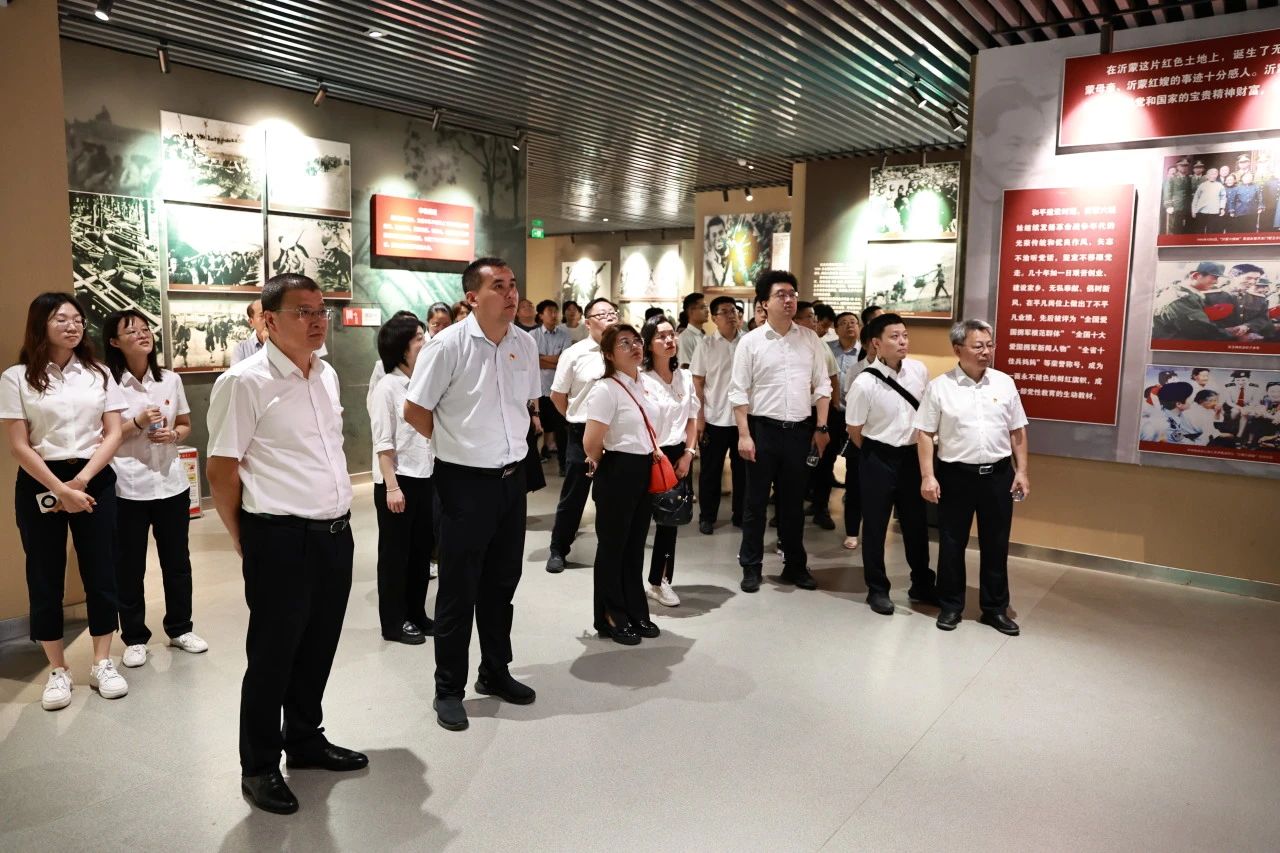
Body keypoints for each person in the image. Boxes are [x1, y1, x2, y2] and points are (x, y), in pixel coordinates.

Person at [206, 274, 366, 815]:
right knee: (273, 656)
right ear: (270, 321)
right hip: (278, 537)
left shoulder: (326, 374)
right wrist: (244, 538)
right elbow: (222, 470)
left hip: (334, 532)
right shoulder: (244, 382)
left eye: (322, 311)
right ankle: (258, 766)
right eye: (304, 311)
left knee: (319, 646)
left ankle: (304, 738)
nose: (318, 320)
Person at [404, 257, 539, 733]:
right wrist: (453, 445)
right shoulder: (447, 346)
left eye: (513, 284)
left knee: (502, 584)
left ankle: (495, 671)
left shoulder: (524, 343)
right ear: (472, 297)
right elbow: (415, 410)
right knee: (458, 591)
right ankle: (448, 689)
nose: (510, 293)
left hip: (511, 480)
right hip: (462, 483)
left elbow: (522, 405)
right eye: (498, 285)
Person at [1, 293, 128, 710]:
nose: (73, 326)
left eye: (77, 319)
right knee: (44, 573)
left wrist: (82, 481)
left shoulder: (99, 372)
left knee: (102, 569)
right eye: (61, 319)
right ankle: (58, 669)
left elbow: (113, 432)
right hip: (42, 481)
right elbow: (19, 445)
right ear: (41, 324)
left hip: (94, 477)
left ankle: (102, 662)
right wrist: (61, 489)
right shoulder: (16, 377)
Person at [103, 309, 207, 669]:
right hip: (127, 486)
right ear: (114, 342)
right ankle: (134, 637)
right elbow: (103, 436)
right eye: (132, 331)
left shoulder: (170, 379)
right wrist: (137, 422)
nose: (143, 335)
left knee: (177, 563)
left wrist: (174, 434)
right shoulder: (108, 383)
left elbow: (185, 424)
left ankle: (180, 628)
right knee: (129, 567)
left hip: (171, 483)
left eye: (146, 329)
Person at [915, 319, 1029, 636]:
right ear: (957, 349)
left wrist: (1022, 471)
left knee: (996, 543)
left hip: (998, 474)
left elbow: (1017, 429)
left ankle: (995, 608)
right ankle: (951, 605)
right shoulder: (940, 387)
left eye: (990, 345)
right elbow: (924, 433)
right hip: (956, 475)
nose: (986, 352)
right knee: (952, 542)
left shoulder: (1004, 383)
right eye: (978, 346)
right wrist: (928, 476)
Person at [729, 271, 832, 593]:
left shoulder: (810, 339)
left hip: (800, 431)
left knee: (792, 504)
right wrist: (744, 435)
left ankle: (794, 565)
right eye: (781, 295)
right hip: (763, 430)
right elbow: (738, 392)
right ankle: (751, 566)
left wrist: (822, 426)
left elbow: (823, 385)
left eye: (792, 294)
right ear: (764, 303)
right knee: (755, 503)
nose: (789, 300)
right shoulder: (750, 342)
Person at [845, 313, 936, 615]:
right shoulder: (864, 383)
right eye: (894, 337)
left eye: (905, 335)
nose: (902, 342)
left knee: (915, 524)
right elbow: (855, 430)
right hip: (877, 456)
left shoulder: (918, 370)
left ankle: (922, 583)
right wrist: (876, 453)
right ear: (876, 343)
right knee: (875, 525)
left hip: (911, 457)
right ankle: (877, 588)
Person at [582, 324, 663, 644]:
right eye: (624, 343)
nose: (634, 347)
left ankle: (635, 609)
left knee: (634, 546)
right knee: (613, 547)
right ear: (609, 354)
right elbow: (591, 443)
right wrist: (611, 466)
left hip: (644, 467)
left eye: (637, 341)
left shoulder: (645, 383)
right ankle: (611, 614)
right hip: (617, 469)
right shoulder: (606, 389)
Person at [369, 314, 435, 646]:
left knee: (421, 553)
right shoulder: (387, 387)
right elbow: (383, 442)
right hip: (397, 482)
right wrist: (392, 487)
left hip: (424, 477)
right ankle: (394, 623)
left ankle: (417, 613)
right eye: (419, 338)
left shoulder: (421, 383)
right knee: (396, 557)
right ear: (401, 348)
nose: (426, 342)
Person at [544, 297, 618, 573]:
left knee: (612, 497)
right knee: (574, 496)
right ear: (588, 323)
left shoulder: (624, 350)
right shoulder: (574, 354)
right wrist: (573, 417)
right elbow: (557, 395)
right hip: (582, 433)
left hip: (616, 434)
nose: (609, 317)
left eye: (612, 313)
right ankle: (558, 549)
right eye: (602, 314)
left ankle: (612, 552)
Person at [640, 315, 698, 607]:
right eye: (661, 336)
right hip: (646, 454)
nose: (669, 340)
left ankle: (659, 581)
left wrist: (688, 454)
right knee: (638, 522)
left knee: (669, 521)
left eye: (671, 334)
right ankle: (628, 580)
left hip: (677, 455)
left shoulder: (685, 377)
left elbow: (692, 419)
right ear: (648, 343)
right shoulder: (640, 378)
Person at [691, 295, 745, 534]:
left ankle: (740, 515)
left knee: (743, 471)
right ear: (714, 318)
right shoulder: (706, 345)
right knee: (710, 471)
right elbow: (698, 383)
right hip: (715, 418)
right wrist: (700, 417)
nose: (731, 315)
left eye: (734, 310)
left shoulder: (747, 342)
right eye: (725, 311)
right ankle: (707, 516)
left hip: (743, 419)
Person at [795, 301, 841, 530]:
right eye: (809, 317)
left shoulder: (821, 345)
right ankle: (789, 510)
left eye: (814, 317)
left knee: (823, 461)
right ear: (795, 320)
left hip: (820, 411)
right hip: (796, 413)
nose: (814, 321)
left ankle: (821, 507)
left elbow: (833, 378)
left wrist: (834, 407)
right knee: (796, 464)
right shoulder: (787, 344)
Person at [531, 298, 572, 471]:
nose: (554, 315)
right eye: (550, 311)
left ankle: (563, 465)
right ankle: (533, 466)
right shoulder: (532, 335)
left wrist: (541, 358)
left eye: (556, 311)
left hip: (558, 390)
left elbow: (565, 361)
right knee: (535, 429)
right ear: (541, 315)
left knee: (561, 430)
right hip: (538, 390)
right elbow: (531, 361)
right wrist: (554, 361)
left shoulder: (565, 335)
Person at [1152, 262, 1228, 341]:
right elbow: (1202, 331)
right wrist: (1229, 333)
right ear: (1195, 276)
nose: (1216, 282)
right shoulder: (1179, 299)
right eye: (1214, 277)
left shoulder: (1187, 293)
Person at [366, 310, 421, 412]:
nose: (425, 343)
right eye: (419, 338)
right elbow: (374, 405)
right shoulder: (385, 386)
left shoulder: (421, 370)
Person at [230, 299, 267, 364]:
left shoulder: (285, 345)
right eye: (262, 316)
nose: (268, 319)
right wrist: (267, 347)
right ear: (251, 322)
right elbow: (237, 370)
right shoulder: (241, 349)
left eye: (271, 315)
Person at [677, 291, 708, 368]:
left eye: (706, 307)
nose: (707, 311)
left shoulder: (702, 335)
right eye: (703, 307)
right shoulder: (685, 337)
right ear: (691, 311)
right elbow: (685, 368)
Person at [1191, 167, 1225, 234]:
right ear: (1207, 175)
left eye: (1215, 174)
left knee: (1211, 230)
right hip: (1201, 211)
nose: (1213, 176)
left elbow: (1223, 198)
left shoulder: (1220, 185)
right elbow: (1196, 198)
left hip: (1214, 212)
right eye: (1211, 174)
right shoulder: (1202, 185)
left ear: (1217, 175)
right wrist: (1193, 210)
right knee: (1199, 230)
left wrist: (1222, 208)